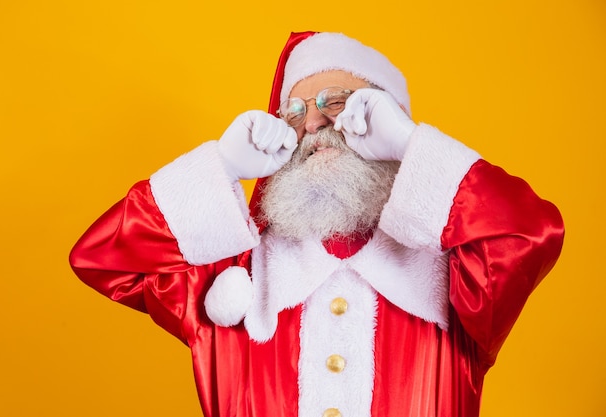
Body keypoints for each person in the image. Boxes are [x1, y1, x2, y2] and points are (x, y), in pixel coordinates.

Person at [69, 31, 564, 417]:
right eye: (295, 110)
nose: (311, 124)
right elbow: (103, 259)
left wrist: (416, 147)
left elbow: (531, 233)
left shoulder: (457, 277)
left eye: (335, 100)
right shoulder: (234, 277)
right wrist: (219, 166)